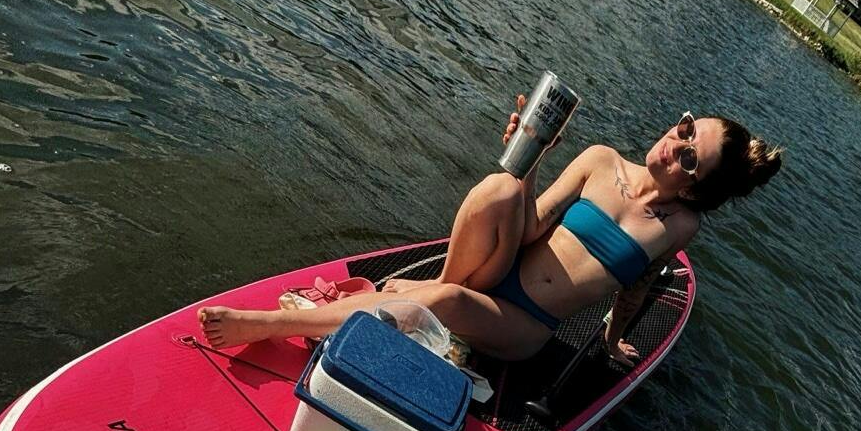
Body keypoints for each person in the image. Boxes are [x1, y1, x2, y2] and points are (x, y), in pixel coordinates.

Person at [197, 101, 783, 365]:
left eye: (690, 156)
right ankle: (427, 309)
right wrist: (532, 154)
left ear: (696, 190)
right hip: (499, 270)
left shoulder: (681, 225)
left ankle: (268, 326)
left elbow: (640, 286)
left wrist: (610, 341)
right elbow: (530, 226)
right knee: (501, 187)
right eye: (686, 127)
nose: (676, 142)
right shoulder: (601, 160)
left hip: (523, 324)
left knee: (449, 301)